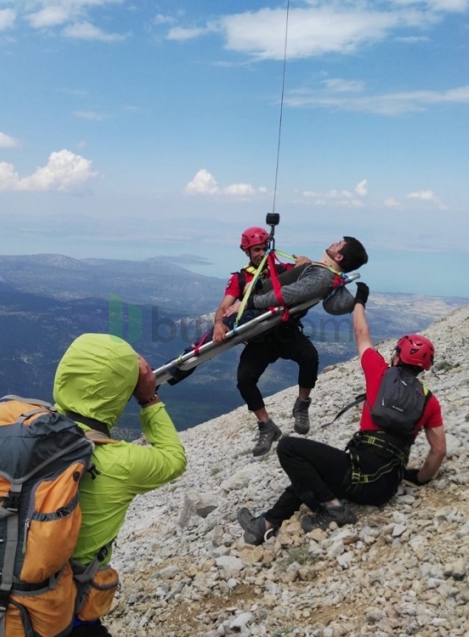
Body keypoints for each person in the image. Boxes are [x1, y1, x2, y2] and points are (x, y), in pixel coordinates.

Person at [236, 283, 445, 542]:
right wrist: (420, 478)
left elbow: (360, 332)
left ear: (398, 357)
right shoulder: (429, 401)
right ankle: (265, 524)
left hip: (356, 474)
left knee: (288, 448)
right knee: (313, 473)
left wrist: (359, 301)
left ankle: (334, 509)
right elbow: (438, 451)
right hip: (385, 488)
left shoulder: (379, 372)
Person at [55, 333, 188, 637]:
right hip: (60, 614)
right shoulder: (119, 462)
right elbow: (174, 458)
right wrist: (148, 398)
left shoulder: (25, 430)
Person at [216, 233, 367, 456]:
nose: (260, 253)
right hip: (262, 335)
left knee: (309, 357)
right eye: (255, 249)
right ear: (247, 252)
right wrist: (220, 322)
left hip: (283, 330)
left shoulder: (303, 271)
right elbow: (225, 305)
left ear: (340, 255)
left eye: (262, 248)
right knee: (245, 379)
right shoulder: (241, 278)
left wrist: (248, 302)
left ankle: (301, 406)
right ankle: (267, 426)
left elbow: (289, 291)